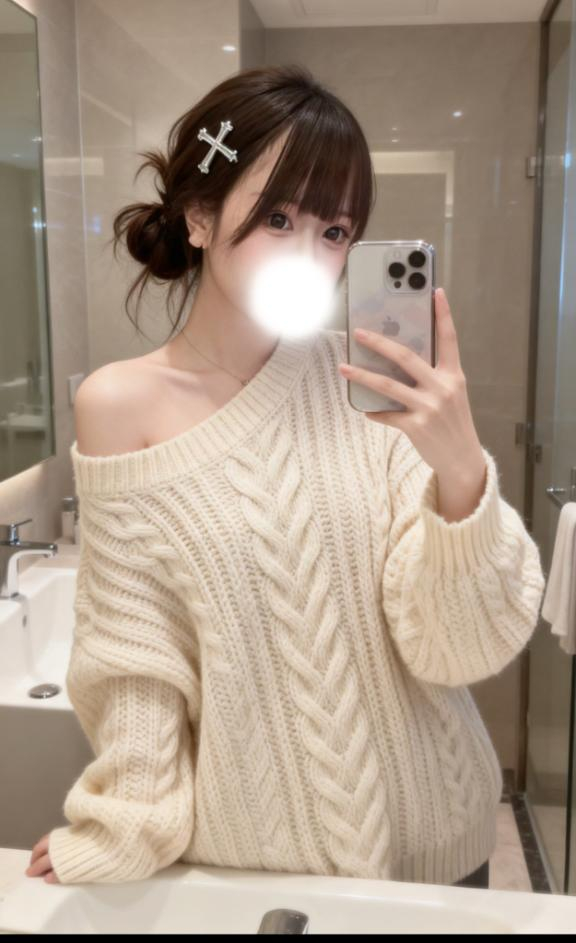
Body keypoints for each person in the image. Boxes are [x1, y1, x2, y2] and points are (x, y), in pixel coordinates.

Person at [26, 64, 544, 890]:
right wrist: (125, 823)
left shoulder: (370, 383)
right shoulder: (119, 405)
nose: (311, 253)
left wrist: (459, 471)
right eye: (278, 217)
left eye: (334, 231)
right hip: (256, 863)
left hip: (439, 845)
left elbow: (456, 648)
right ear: (199, 215)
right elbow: (136, 655)